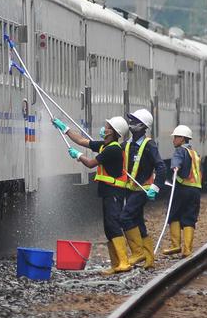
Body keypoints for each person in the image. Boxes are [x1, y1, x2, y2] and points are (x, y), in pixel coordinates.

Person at [62, 116, 134, 275]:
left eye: (107, 126)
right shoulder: (105, 145)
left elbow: (90, 164)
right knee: (108, 227)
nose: (104, 128)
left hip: (114, 192)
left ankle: (124, 261)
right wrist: (65, 130)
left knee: (113, 224)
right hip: (107, 192)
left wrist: (78, 155)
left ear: (113, 132)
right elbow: (82, 141)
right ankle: (116, 264)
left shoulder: (113, 149)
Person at [120, 109, 168, 267]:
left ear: (142, 126)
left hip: (142, 190)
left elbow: (161, 167)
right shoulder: (127, 144)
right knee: (138, 221)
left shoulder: (149, 145)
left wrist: (155, 187)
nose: (130, 123)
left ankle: (138, 253)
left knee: (125, 217)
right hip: (130, 189)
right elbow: (110, 152)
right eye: (131, 120)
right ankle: (149, 259)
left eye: (134, 121)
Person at [161, 125, 203, 258]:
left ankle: (175, 245)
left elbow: (177, 161)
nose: (173, 140)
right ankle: (187, 250)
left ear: (182, 139)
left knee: (173, 214)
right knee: (190, 217)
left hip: (182, 188)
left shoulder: (180, 151)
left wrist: (175, 167)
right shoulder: (195, 154)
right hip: (195, 190)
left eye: (176, 137)